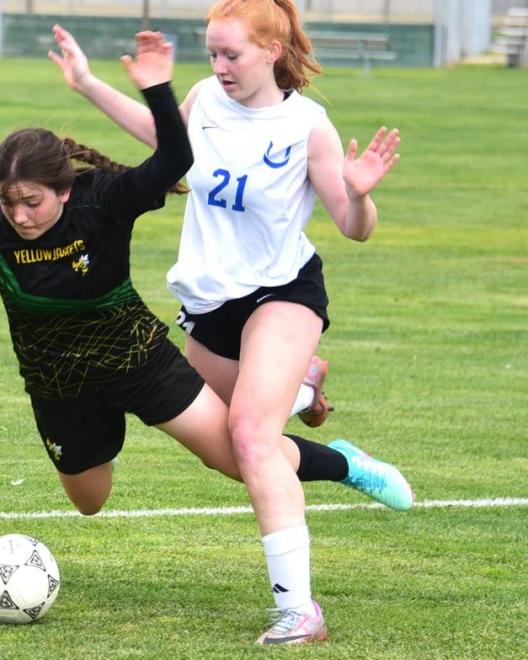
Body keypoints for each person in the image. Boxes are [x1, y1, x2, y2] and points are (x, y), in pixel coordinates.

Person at [0, 31, 412, 645]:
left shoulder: (103, 202)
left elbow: (175, 161)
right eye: (9, 201)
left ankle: (344, 465)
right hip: (59, 385)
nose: (20, 215)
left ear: (64, 190)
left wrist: (156, 88)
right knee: (90, 501)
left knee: (244, 455)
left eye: (33, 202)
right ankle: (298, 395)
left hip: (138, 360)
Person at [49, 0, 409, 645]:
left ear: (271, 51)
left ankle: (300, 610)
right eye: (212, 53)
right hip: (210, 306)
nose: (219, 67)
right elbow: (165, 143)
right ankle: (326, 432)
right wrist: (87, 83)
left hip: (283, 292)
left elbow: (354, 231)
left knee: (250, 436)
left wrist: (359, 194)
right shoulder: (205, 101)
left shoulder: (307, 127)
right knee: (234, 456)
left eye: (231, 55)